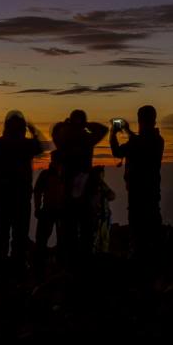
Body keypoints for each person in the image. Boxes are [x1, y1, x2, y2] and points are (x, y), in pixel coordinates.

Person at [0, 110, 44, 267]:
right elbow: (40, 147)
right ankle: (18, 265)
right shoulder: (27, 144)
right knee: (20, 233)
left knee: (1, 233)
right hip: (21, 197)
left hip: (1, 196)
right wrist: (35, 132)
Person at [110, 105, 165, 250]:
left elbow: (119, 151)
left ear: (140, 120)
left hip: (140, 193)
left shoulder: (145, 141)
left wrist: (115, 133)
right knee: (151, 231)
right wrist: (120, 132)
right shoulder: (157, 140)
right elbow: (128, 147)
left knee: (139, 233)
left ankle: (141, 262)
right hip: (149, 192)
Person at [56, 110, 109, 258]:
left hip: (68, 186)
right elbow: (103, 129)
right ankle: (85, 257)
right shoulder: (87, 138)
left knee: (70, 225)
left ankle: (71, 258)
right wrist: (85, 124)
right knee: (85, 224)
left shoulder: (64, 139)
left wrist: (67, 125)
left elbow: (55, 131)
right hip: (85, 186)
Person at [33, 156, 67, 259]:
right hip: (50, 210)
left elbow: (37, 192)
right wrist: (38, 208)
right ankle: (43, 261)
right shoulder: (47, 175)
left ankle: (45, 261)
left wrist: (38, 208)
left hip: (57, 211)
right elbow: (37, 192)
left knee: (59, 239)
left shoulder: (48, 175)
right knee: (42, 239)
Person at [87, 166, 116, 253]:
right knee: (96, 240)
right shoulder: (95, 187)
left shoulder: (101, 186)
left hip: (103, 217)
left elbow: (112, 196)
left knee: (103, 240)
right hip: (97, 217)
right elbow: (111, 196)